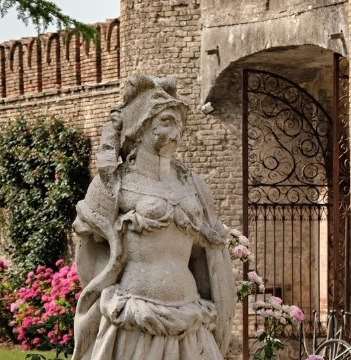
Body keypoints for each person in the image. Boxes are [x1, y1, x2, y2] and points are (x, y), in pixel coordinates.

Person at [73, 75, 234, 360]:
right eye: (166, 122)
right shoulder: (114, 183)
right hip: (136, 317)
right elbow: (89, 250)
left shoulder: (193, 185)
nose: (177, 131)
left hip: (190, 314)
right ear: (142, 126)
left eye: (179, 123)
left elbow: (206, 253)